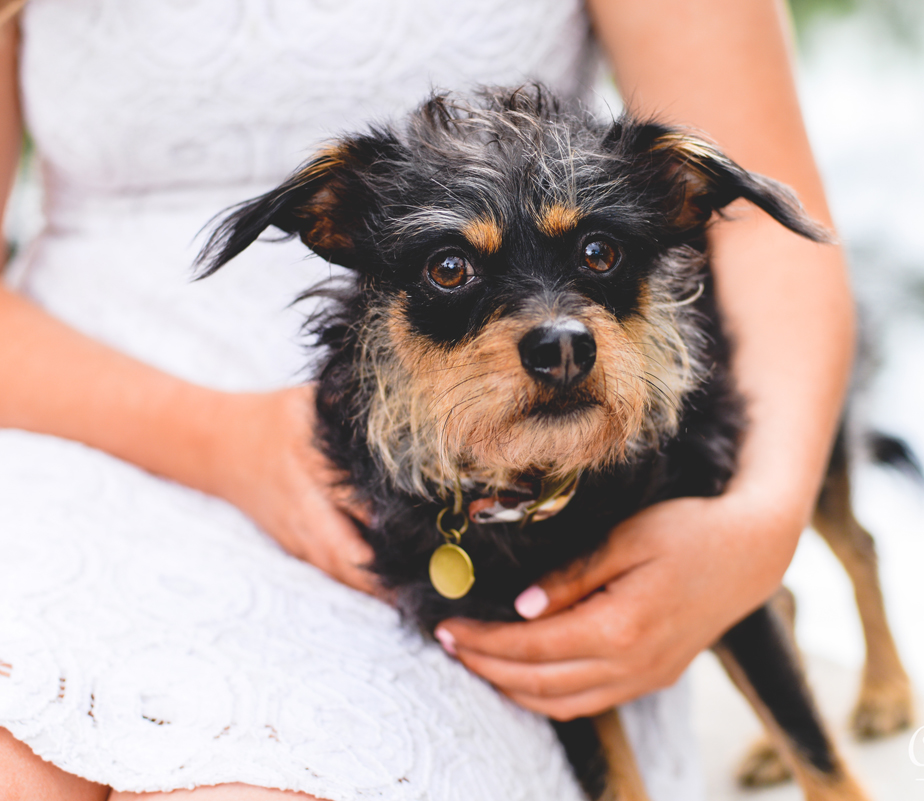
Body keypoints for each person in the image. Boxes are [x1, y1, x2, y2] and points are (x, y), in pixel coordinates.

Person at [0, 0, 854, 798]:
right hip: (67, 428)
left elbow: (780, 230)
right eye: (451, 267)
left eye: (598, 257)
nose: (558, 333)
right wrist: (222, 442)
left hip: (537, 501)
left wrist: (761, 523)